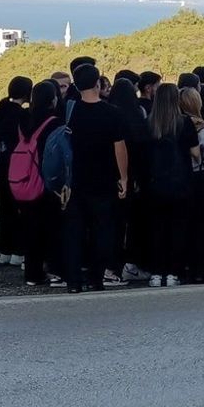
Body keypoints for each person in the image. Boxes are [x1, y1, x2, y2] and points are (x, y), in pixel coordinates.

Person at [61, 64, 128, 293]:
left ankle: (73, 281)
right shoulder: (112, 113)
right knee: (103, 230)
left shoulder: (69, 110)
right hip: (104, 179)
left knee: (74, 231)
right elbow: (119, 148)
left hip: (74, 180)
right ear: (98, 83)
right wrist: (124, 177)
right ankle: (95, 278)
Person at [145, 83, 200, 287]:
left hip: (155, 183)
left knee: (157, 229)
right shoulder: (184, 123)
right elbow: (195, 153)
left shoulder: (149, 123)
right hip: (180, 182)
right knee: (178, 229)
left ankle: (156, 273)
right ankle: (173, 273)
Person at [13, 80, 63, 286]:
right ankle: (51, 269)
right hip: (43, 180)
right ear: (53, 99)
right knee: (49, 227)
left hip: (23, 179)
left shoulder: (25, 118)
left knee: (30, 227)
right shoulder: (55, 122)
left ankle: (32, 272)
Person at [106, 77, 151, 284]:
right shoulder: (137, 119)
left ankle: (109, 267)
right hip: (133, 181)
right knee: (132, 224)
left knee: (110, 225)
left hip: (108, 179)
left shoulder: (108, 115)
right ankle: (130, 265)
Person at [0, 76, 33, 268]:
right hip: (17, 168)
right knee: (20, 211)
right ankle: (18, 251)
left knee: (4, 209)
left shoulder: (1, 111)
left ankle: (4, 250)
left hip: (0, 167)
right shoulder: (22, 115)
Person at [179, 86, 204, 284]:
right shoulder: (203, 127)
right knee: (200, 226)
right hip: (199, 178)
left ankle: (183, 265)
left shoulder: (174, 125)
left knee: (183, 223)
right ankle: (198, 269)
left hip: (181, 178)